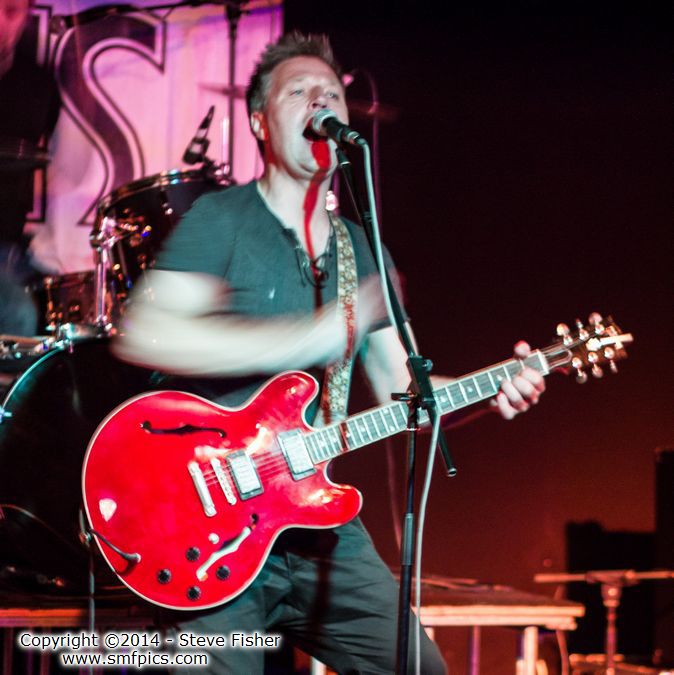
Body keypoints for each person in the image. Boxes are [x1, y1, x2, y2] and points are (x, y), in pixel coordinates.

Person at [114, 32, 545, 674]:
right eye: (298, 91)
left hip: (314, 524)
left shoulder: (362, 250)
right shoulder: (219, 218)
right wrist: (304, 337)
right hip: (208, 525)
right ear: (259, 122)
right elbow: (146, 332)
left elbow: (405, 389)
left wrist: (492, 391)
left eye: (332, 94)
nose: (321, 100)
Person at [0, 0, 60, 335]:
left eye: (11, 12)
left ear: (27, 15)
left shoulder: (37, 84)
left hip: (10, 247)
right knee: (17, 313)